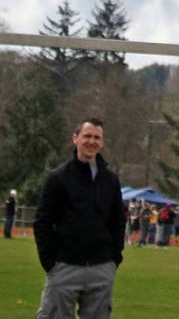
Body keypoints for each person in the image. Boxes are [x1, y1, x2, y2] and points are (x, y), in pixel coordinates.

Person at [33, 118, 126, 319]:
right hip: (65, 267)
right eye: (87, 136)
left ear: (102, 142)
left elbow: (118, 220)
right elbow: (43, 221)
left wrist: (113, 259)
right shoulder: (58, 178)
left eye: (97, 137)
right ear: (75, 138)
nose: (92, 141)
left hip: (101, 268)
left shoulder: (110, 180)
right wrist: (50, 262)